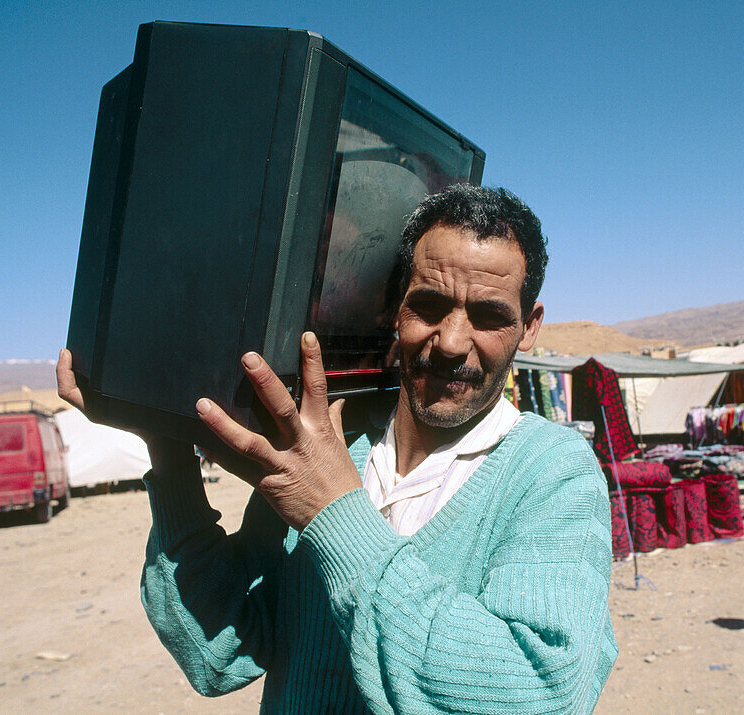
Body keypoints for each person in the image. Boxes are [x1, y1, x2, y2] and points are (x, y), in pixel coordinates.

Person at [57, 184, 618, 712]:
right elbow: (219, 656)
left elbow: (543, 694)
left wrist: (334, 515)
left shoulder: (553, 473)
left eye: (490, 316)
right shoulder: (331, 451)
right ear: (393, 308)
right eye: (428, 306)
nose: (450, 343)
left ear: (530, 326)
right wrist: (169, 449)